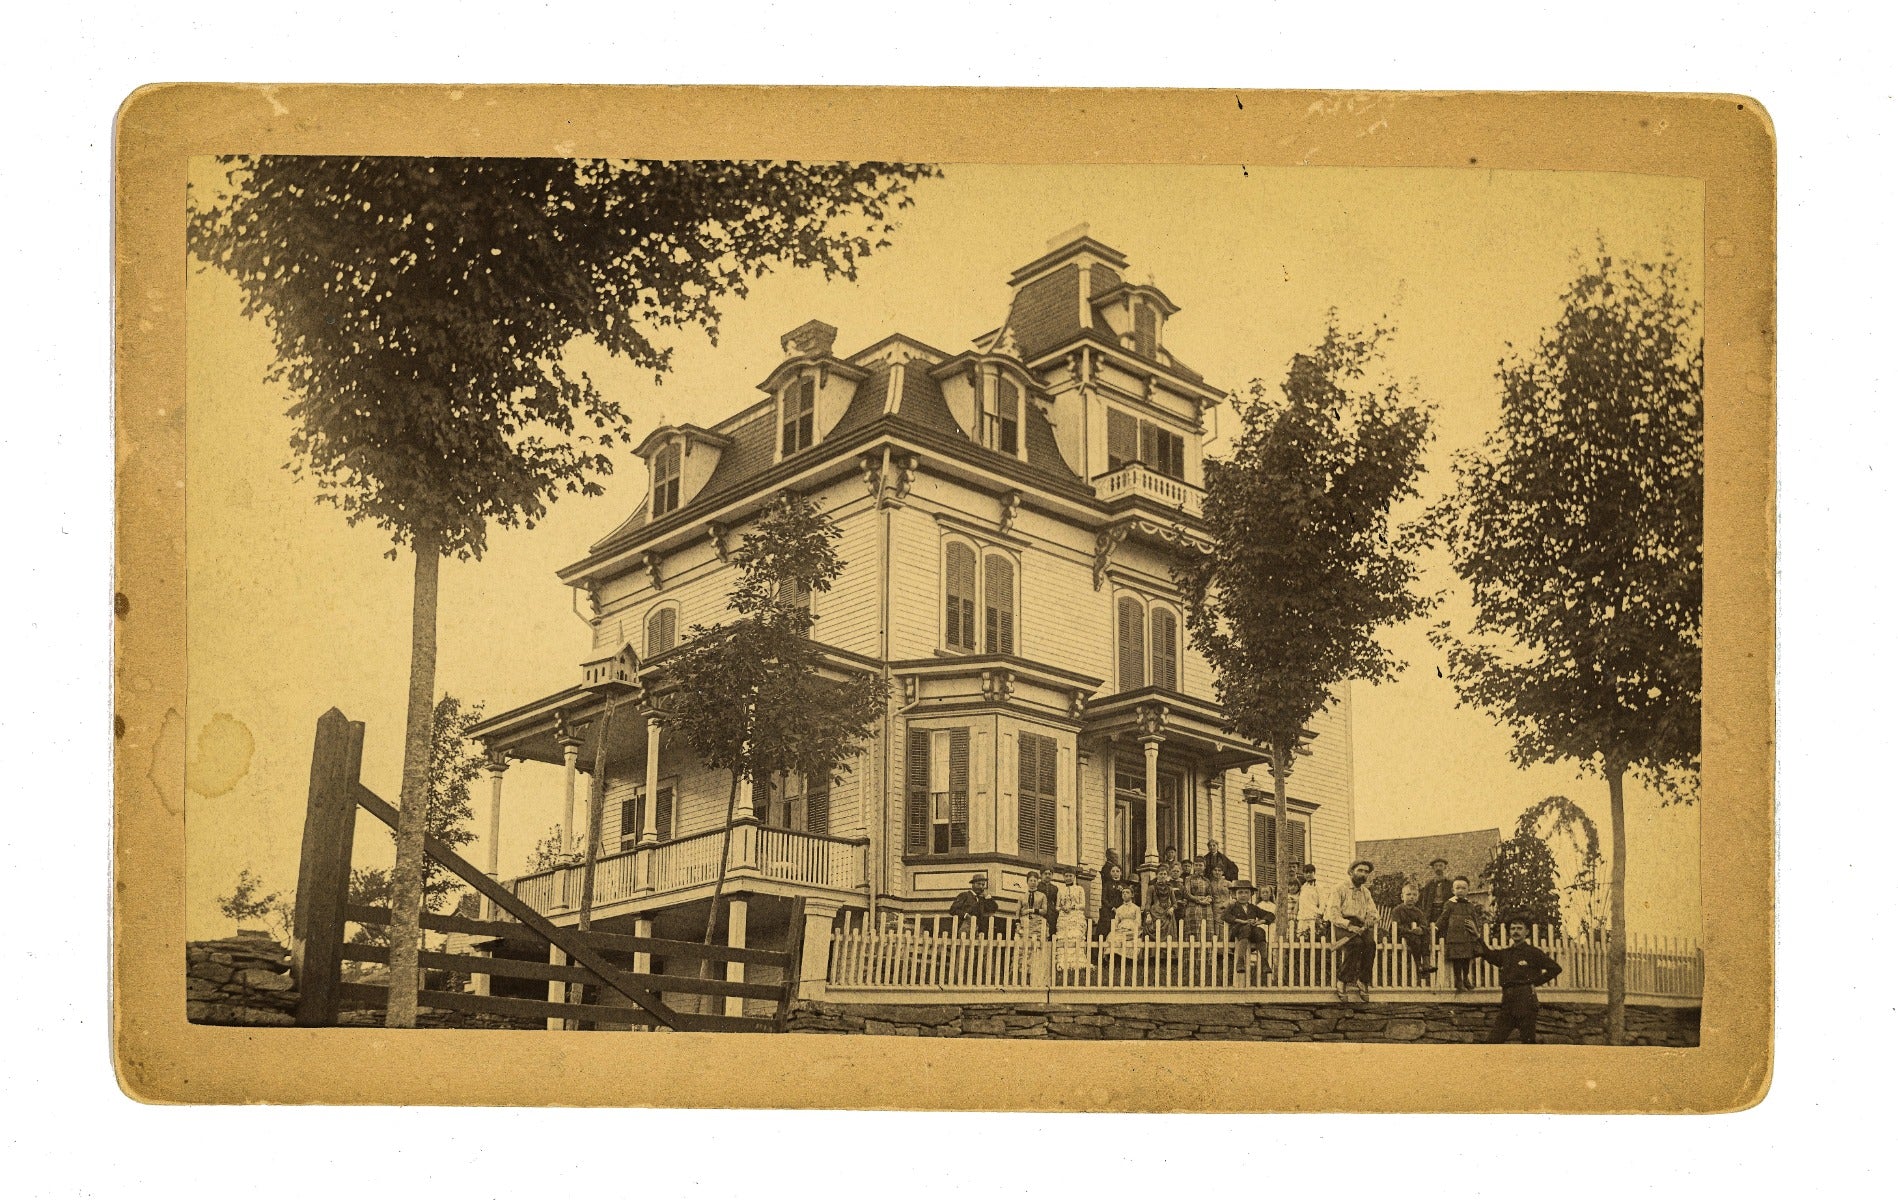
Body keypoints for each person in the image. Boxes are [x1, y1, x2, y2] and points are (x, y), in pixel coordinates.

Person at [1479, 919, 1563, 1043]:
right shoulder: (1506, 953)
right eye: (1513, 929)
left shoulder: (1533, 952)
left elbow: (1555, 968)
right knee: (1493, 1041)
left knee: (1528, 1042)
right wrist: (1477, 937)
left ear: (1527, 932)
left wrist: (1534, 982)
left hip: (1526, 1001)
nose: (1515, 931)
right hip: (1508, 1001)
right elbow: (1489, 955)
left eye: (1519, 928)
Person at [1330, 859, 1379, 1000]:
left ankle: (1362, 980)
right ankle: (1342, 980)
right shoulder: (1339, 889)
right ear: (1351, 872)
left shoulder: (1366, 892)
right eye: (1360, 870)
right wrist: (1349, 926)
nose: (1363, 874)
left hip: (1360, 925)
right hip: (1342, 924)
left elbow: (1374, 912)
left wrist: (1370, 918)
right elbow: (1333, 914)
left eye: (1366, 872)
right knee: (1356, 944)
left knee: (1370, 944)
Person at [1435, 875, 1486, 992]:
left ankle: (1466, 978)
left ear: (1468, 890)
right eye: (1457, 888)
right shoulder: (1449, 904)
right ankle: (1458, 980)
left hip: (1467, 936)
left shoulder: (1470, 905)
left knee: (1467, 958)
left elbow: (1475, 919)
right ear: (1453, 890)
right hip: (1455, 936)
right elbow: (1443, 917)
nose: (1460, 891)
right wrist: (1436, 927)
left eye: (1463, 888)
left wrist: (1476, 931)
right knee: (1457, 959)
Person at [1223, 879, 1276, 983]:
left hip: (1250, 934)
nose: (1243, 895)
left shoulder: (1253, 907)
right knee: (1246, 927)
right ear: (1234, 894)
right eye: (1240, 892)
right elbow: (1224, 916)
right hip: (1236, 933)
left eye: (1246, 892)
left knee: (1260, 931)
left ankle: (1265, 962)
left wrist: (1259, 922)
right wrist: (1241, 921)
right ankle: (1240, 961)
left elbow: (1271, 915)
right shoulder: (1233, 906)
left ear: (1251, 894)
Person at [1392, 882, 1437, 983]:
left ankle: (1426, 962)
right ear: (1402, 896)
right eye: (1408, 894)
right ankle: (1418, 964)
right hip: (1402, 935)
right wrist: (1409, 931)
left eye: (1414, 895)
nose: (1411, 897)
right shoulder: (1397, 910)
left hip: (1416, 935)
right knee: (1415, 938)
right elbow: (1397, 926)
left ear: (1417, 898)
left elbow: (1424, 924)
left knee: (1426, 935)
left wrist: (1421, 929)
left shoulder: (1419, 912)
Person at [1053, 867, 1091, 974]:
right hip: (1064, 917)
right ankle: (1063, 964)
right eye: (1066, 876)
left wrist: (1073, 907)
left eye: (1070, 876)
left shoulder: (1079, 889)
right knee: (1063, 938)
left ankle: (1077, 964)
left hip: (1075, 916)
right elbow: (1057, 907)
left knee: (1075, 937)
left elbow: (1083, 905)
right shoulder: (1061, 890)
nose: (1068, 878)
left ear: (1074, 877)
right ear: (1063, 877)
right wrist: (1062, 908)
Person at [1180, 855, 1216, 939]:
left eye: (1200, 865)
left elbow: (1210, 895)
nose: (1198, 867)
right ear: (1194, 866)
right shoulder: (1189, 879)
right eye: (1196, 865)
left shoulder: (1207, 880)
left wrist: (1208, 899)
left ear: (1204, 867)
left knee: (1206, 932)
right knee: (1193, 932)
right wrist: (1199, 900)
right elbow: (1187, 894)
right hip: (1193, 907)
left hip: (1206, 909)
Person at [1095, 861, 1130, 940]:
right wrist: (1112, 907)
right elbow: (1104, 899)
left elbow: (1127, 899)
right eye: (1113, 871)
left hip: (1120, 910)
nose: (1115, 873)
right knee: (1105, 927)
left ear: (1121, 873)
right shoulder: (1107, 885)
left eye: (1117, 871)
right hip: (1108, 910)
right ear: (1110, 873)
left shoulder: (1124, 885)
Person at [1417, 857, 1455, 925]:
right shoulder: (1429, 885)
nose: (1438, 868)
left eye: (1440, 866)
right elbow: (1424, 901)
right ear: (1433, 868)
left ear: (1445, 867)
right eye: (1436, 866)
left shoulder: (1450, 884)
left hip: (1445, 911)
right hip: (1432, 912)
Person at [1020, 867, 1052, 940]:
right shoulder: (1022, 896)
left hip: (1038, 923)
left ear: (1037, 882)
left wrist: (1031, 910)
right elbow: (1018, 912)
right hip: (1025, 922)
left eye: (1035, 880)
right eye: (1031, 880)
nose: (1033, 882)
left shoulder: (1042, 896)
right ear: (1027, 882)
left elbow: (1044, 911)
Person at [1293, 864, 1322, 940]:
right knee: (1300, 938)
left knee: (1312, 938)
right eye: (1306, 873)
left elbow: (1322, 902)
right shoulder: (1303, 887)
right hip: (1302, 917)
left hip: (1312, 917)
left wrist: (1319, 914)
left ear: (1314, 873)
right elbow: (1300, 901)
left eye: (1310, 872)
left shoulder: (1318, 887)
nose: (1308, 874)